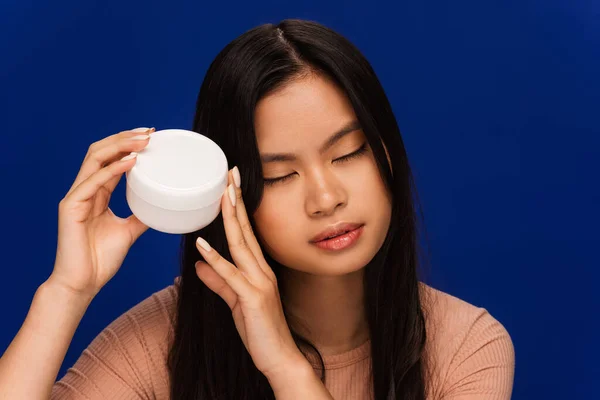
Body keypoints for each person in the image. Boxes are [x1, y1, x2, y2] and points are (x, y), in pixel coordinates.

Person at [0, 19, 514, 400]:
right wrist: (66, 290)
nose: (326, 197)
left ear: (388, 154)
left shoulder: (467, 346)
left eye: (347, 152)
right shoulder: (170, 337)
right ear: (230, 193)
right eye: (279, 175)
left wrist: (284, 366)